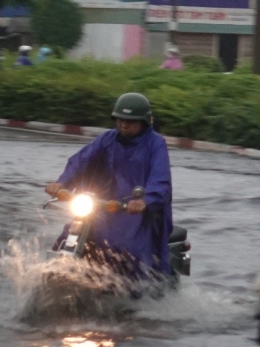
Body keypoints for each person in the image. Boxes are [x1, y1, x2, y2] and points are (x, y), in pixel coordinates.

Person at [44, 92, 174, 280]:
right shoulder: (107, 139)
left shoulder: (155, 144)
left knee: (128, 248)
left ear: (144, 122)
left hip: (134, 212)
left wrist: (146, 200)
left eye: (130, 121)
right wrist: (61, 182)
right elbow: (81, 161)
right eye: (120, 120)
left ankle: (134, 289)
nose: (124, 124)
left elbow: (160, 179)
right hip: (102, 205)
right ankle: (55, 274)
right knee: (70, 233)